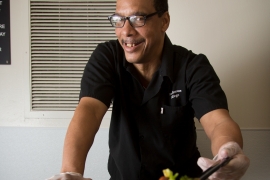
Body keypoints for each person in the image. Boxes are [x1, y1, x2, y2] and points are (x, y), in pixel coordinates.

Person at [47, 0, 250, 179]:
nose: (126, 31)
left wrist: (227, 151)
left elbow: (218, 121)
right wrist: (71, 172)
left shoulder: (192, 66)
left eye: (138, 18)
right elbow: (89, 110)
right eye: (119, 19)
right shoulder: (107, 57)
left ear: (164, 21)